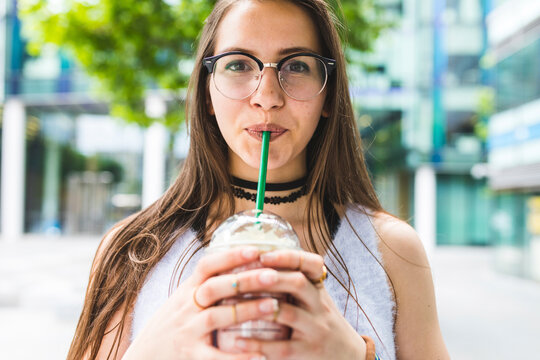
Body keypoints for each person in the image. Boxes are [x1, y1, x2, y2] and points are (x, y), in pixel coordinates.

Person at [68, 0, 450, 359]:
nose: (267, 96)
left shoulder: (393, 252)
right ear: (206, 92)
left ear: (330, 95)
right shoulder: (133, 250)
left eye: (297, 66)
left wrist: (357, 354)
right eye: (238, 65)